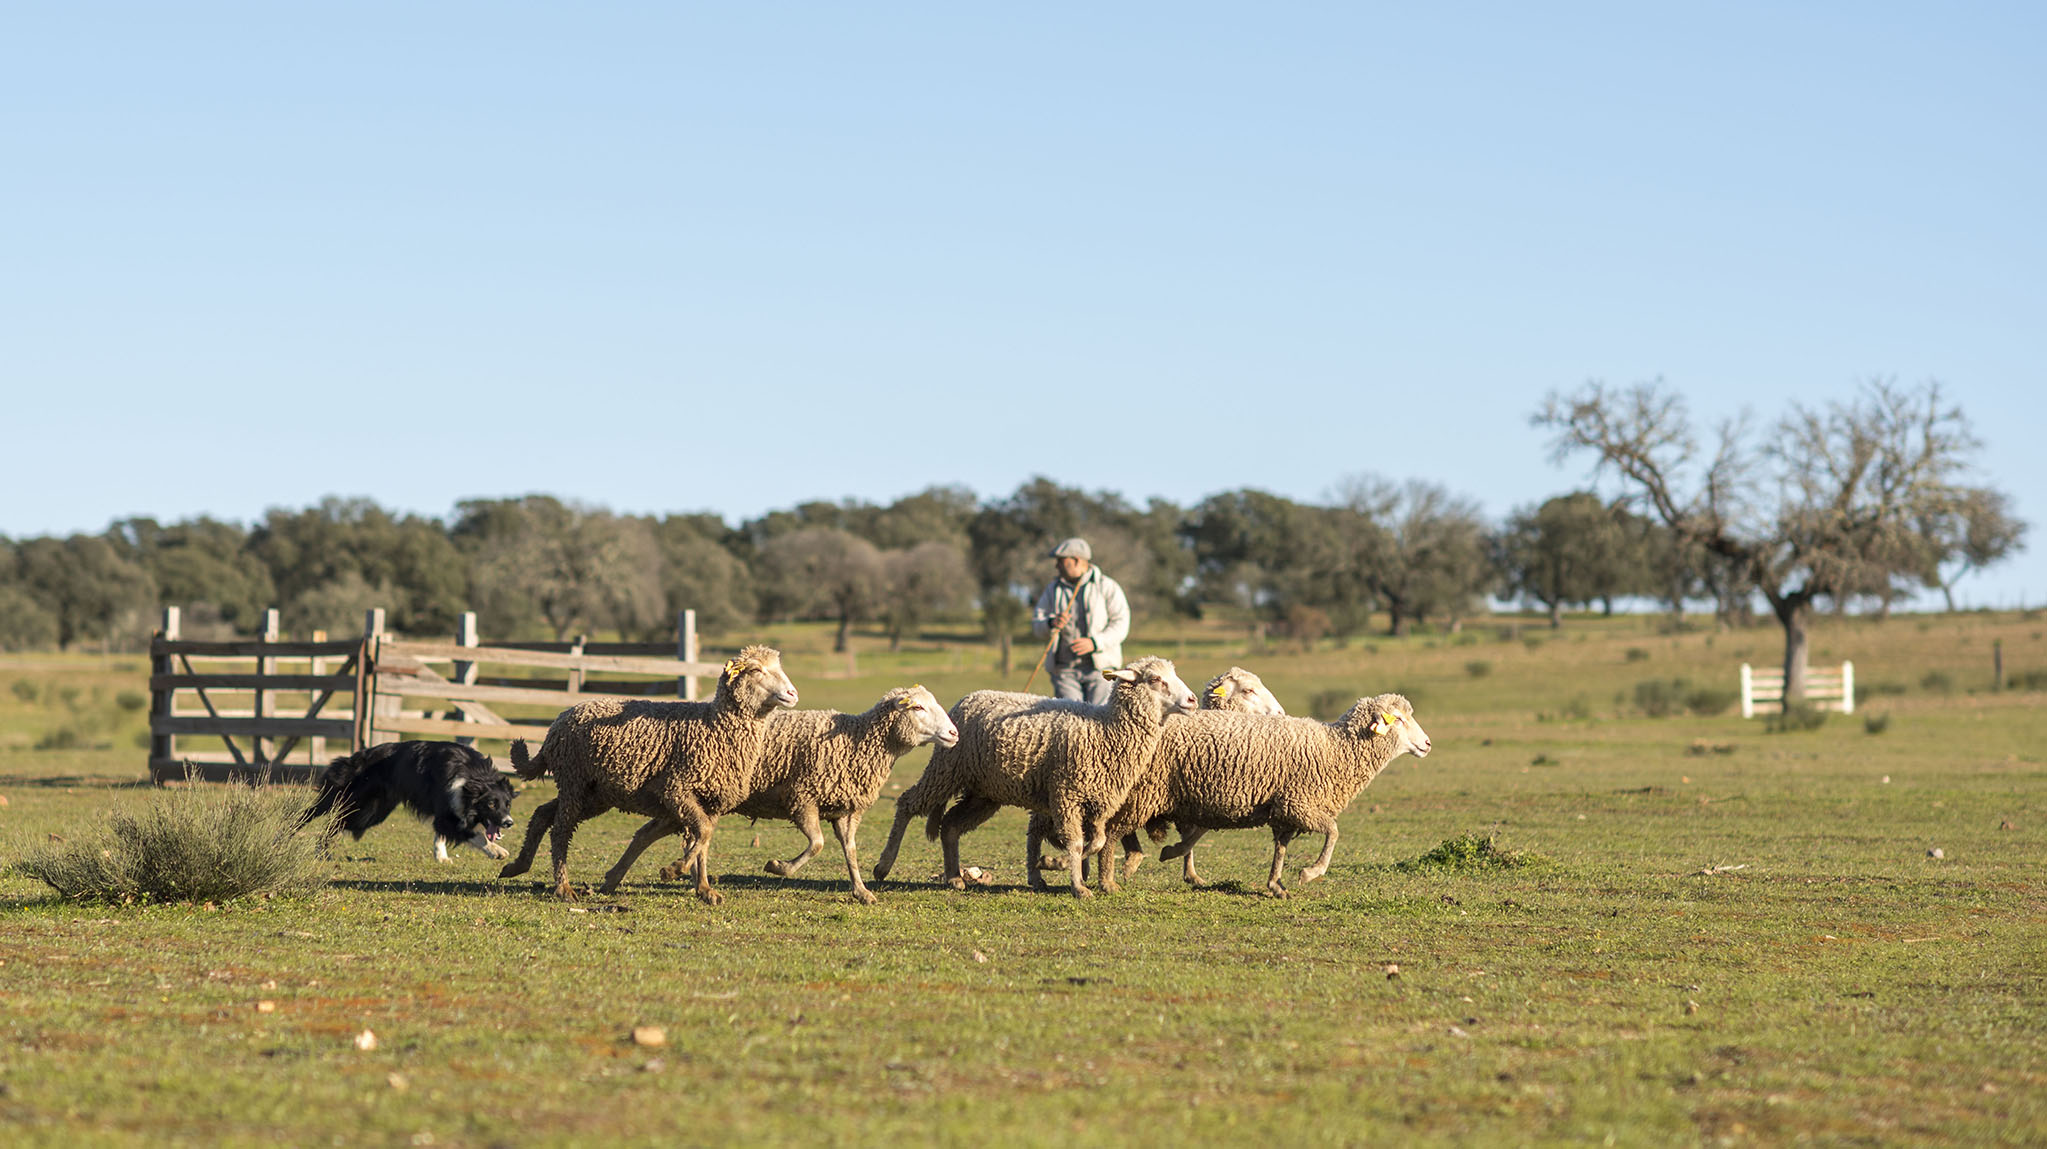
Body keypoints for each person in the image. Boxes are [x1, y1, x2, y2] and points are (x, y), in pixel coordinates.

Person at [1031, 537, 1130, 704]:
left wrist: (1095, 642)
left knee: (1099, 718)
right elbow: (1037, 624)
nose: (1057, 566)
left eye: (1061, 561)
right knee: (1069, 719)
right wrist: (1050, 623)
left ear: (1077, 561)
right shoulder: (1052, 589)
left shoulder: (1107, 586)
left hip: (1100, 669)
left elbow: (1121, 624)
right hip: (1065, 670)